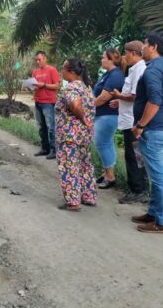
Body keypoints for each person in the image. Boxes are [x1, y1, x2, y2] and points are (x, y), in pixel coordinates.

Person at [131, 31, 163, 233]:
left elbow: (155, 101)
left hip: (154, 130)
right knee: (155, 175)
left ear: (154, 47)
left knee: (159, 177)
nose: (143, 48)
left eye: (146, 45)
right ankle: (153, 213)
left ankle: (162, 221)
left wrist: (141, 125)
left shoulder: (152, 70)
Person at [109, 41, 149, 203]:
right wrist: (120, 101)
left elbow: (135, 96)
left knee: (133, 156)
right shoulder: (136, 69)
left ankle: (137, 190)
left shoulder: (139, 70)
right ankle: (138, 187)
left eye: (126, 53)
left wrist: (119, 96)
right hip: (129, 118)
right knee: (135, 155)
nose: (125, 57)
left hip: (133, 121)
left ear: (133, 53)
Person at [55, 58, 96, 211]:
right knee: (84, 165)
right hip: (84, 136)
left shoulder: (70, 88)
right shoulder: (86, 88)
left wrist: (82, 118)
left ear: (71, 72)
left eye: (63, 69)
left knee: (69, 166)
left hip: (70, 135)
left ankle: (73, 201)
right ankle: (88, 196)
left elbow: (75, 105)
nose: (62, 71)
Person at [93, 48, 125, 189]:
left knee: (102, 144)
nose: (101, 59)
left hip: (107, 115)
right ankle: (107, 173)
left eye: (103, 57)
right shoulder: (109, 74)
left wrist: (88, 106)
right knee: (107, 144)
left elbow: (103, 98)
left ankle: (110, 177)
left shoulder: (115, 75)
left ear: (110, 59)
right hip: (103, 115)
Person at [31, 51, 61, 160]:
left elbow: (57, 86)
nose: (38, 62)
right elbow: (34, 86)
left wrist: (44, 85)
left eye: (39, 59)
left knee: (51, 127)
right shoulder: (35, 71)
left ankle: (54, 150)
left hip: (48, 102)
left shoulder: (52, 70)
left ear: (45, 58)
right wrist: (29, 86)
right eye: (36, 60)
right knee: (41, 127)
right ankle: (45, 148)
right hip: (38, 101)